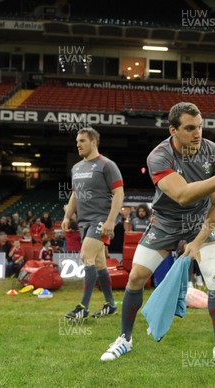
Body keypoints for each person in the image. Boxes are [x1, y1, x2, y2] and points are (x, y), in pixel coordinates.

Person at [100, 102, 215, 371]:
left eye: (200, 126)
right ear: (172, 130)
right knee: (136, 277)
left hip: (201, 221)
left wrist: (198, 241)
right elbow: (183, 195)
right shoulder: (159, 157)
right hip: (165, 222)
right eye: (189, 128)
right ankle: (125, 339)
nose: (197, 133)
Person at [63, 127, 125, 321]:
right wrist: (67, 216)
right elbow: (75, 194)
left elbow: (119, 193)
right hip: (84, 221)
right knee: (99, 263)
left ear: (93, 142)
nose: (78, 144)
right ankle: (110, 304)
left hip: (101, 219)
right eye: (77, 141)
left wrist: (110, 220)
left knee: (85, 256)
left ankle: (83, 307)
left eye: (82, 141)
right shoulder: (76, 167)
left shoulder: (107, 165)